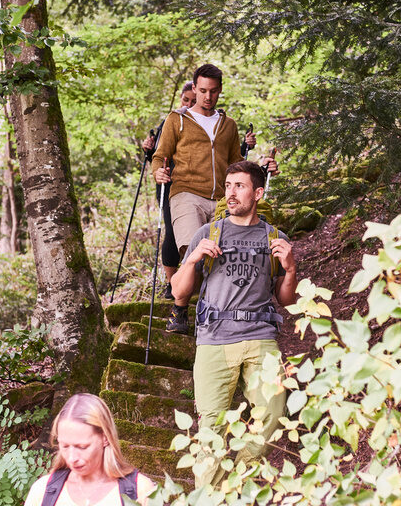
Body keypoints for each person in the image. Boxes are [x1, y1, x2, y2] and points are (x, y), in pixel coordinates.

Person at [170, 161, 297, 487]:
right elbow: (179, 291)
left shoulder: (274, 237)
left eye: (239, 186)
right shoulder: (207, 233)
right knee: (210, 425)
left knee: (273, 412)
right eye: (227, 186)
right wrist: (195, 257)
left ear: (258, 192)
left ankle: (234, 482)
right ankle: (208, 496)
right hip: (214, 339)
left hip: (261, 337)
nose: (230, 193)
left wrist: (291, 268)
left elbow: (287, 300)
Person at [152, 64, 267, 333]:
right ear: (194, 88)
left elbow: (238, 165)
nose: (207, 96)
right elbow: (160, 155)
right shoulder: (176, 121)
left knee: (224, 255)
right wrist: (158, 171)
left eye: (213, 91)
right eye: (202, 90)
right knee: (196, 250)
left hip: (221, 199)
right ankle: (179, 310)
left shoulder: (228, 126)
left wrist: (262, 169)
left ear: (220, 91)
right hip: (186, 193)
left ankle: (216, 309)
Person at [24, 393, 156, 506]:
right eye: (64, 446)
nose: (72, 458)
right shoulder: (42, 492)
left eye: (82, 447)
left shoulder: (140, 490)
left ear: (105, 438)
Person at [141, 82, 198, 299]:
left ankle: (192, 280)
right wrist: (148, 150)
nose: (189, 104)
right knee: (172, 232)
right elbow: (157, 155)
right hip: (168, 185)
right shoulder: (169, 121)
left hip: (196, 187)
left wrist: (245, 147)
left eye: (193, 101)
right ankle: (171, 283)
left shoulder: (208, 123)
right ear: (180, 99)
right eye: (186, 100)